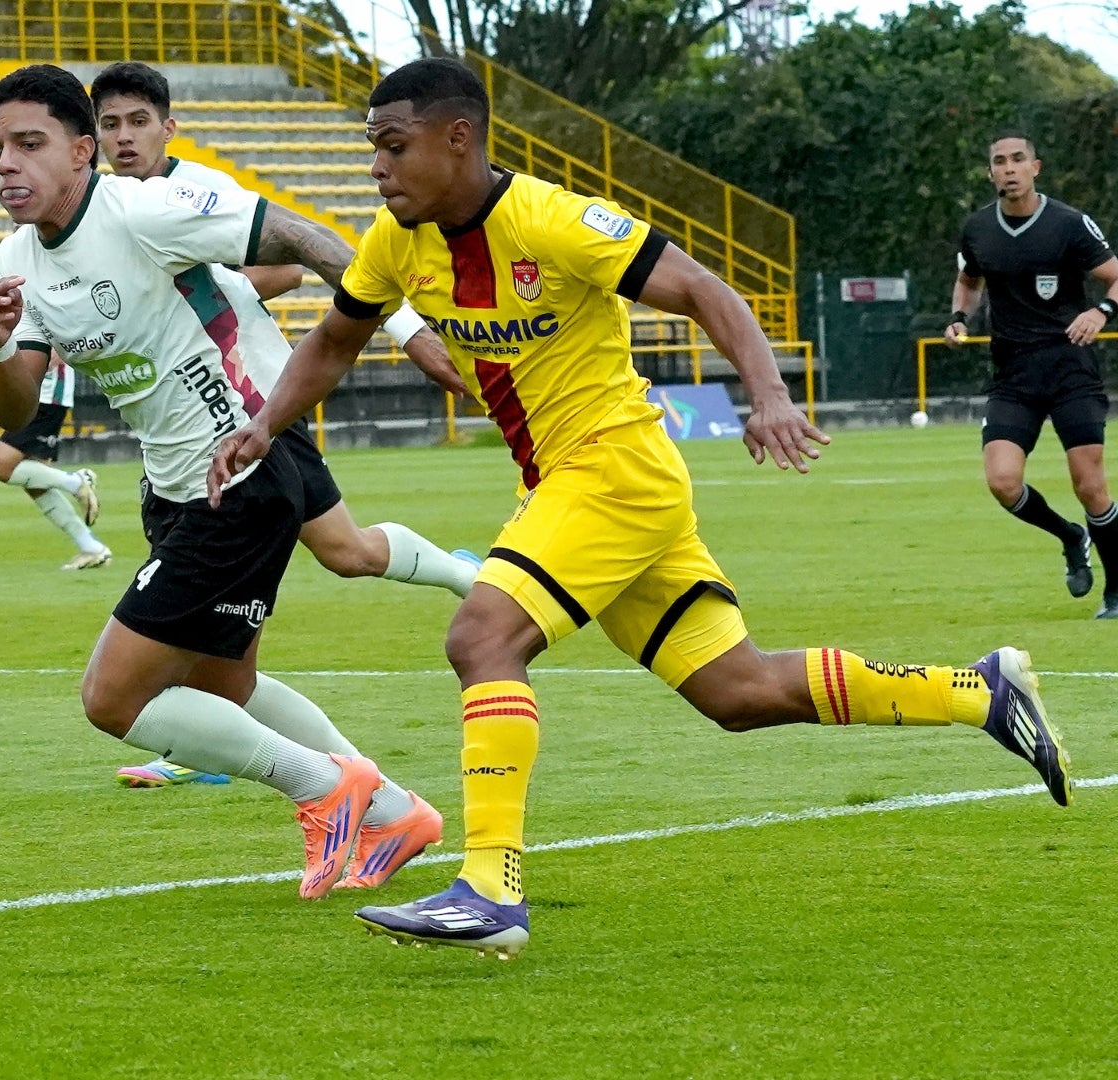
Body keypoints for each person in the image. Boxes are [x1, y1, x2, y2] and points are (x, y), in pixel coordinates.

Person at [209, 59, 1076, 956]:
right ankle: (980, 692)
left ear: (457, 137)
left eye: (393, 147)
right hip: (574, 486)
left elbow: (707, 290)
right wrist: (266, 425)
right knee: (739, 693)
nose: (378, 169)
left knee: (481, 638)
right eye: (371, 151)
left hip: (613, 470)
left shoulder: (553, 219)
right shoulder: (398, 240)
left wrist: (768, 394)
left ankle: (489, 888)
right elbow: (334, 341)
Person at [0, 64, 444, 897]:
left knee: (112, 699)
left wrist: (410, 332)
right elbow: (14, 411)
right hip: (175, 489)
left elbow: (305, 242)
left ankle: (327, 789)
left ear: (82, 151)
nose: (6, 164)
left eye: (28, 144)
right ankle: (395, 810)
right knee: (222, 686)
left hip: (240, 476)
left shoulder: (147, 210)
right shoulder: (19, 257)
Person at [90, 60, 483, 789]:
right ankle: (233, 747)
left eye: (138, 121)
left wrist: (410, 333)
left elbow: (304, 258)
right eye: (109, 124)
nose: (124, 137)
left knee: (276, 594)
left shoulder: (188, 192)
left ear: (168, 128)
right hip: (187, 443)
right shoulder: (101, 211)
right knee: (342, 554)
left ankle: (237, 751)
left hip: (251, 421)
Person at [946, 130, 1118, 618]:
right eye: (999, 161)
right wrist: (959, 317)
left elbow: (1116, 275)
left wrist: (1100, 310)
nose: (1009, 168)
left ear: (1035, 167)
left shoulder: (1068, 224)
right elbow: (968, 280)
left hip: (1070, 370)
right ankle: (1069, 535)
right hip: (1014, 375)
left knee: (1089, 484)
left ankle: (1117, 590)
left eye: (1018, 159)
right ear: (991, 172)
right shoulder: (979, 228)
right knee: (1002, 481)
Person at [0, 320, 109, 570]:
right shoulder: (22, 312)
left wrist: (13, 374)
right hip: (34, 397)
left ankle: (77, 482)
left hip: (45, 397)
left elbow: (54, 354)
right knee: (36, 483)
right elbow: (8, 350)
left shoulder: (45, 306)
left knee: (1, 466)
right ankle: (91, 547)